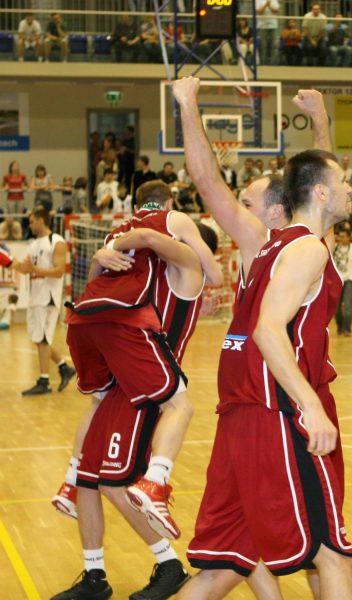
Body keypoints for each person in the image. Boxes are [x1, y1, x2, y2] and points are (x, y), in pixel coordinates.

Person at [173, 76, 335, 597]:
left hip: (252, 402)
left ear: (277, 208)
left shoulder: (303, 241)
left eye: (247, 199)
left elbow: (323, 182)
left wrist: (320, 121)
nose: (236, 206)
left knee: (229, 562)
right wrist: (188, 106)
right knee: (324, 548)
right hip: (276, 403)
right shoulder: (262, 240)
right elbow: (206, 179)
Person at [50, 185, 220, 600]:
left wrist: (118, 241)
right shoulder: (142, 274)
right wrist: (102, 257)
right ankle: (94, 576)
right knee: (90, 478)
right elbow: (100, 290)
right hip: (121, 379)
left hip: (146, 390)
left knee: (113, 483)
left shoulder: (186, 270)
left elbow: (153, 236)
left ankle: (170, 565)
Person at [15, 208, 76, 396]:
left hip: (48, 296)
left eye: (32, 221)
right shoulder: (33, 244)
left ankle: (44, 382)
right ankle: (64, 367)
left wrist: (35, 269)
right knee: (38, 338)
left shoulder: (56, 241)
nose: (30, 225)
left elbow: (59, 271)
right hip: (35, 295)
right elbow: (26, 269)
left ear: (41, 221)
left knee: (42, 340)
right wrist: (12, 264)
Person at [334, 229, 352, 336]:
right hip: (336, 281)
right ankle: (340, 327)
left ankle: (347, 329)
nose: (341, 238)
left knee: (348, 307)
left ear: (349, 237)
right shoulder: (334, 248)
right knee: (335, 308)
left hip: (348, 281)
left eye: (343, 236)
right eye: (340, 236)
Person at [255, 0, 281, 65]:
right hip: (262, 26)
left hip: (273, 25)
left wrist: (269, 6)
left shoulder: (274, 0)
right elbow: (259, 12)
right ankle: (263, 63)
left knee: (274, 45)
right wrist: (266, 5)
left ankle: (274, 63)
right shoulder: (258, 1)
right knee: (263, 46)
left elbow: (277, 10)